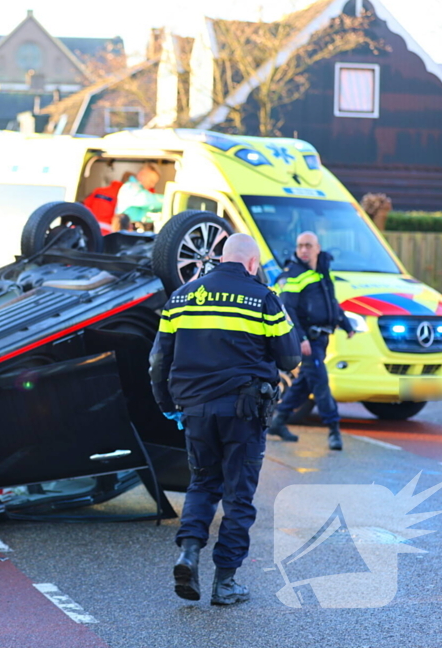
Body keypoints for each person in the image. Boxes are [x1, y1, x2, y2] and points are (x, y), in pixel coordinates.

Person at [150, 233, 301, 606]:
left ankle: (188, 553)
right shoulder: (264, 299)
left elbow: (157, 361)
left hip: (196, 411)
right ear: (252, 263)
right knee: (238, 496)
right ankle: (226, 583)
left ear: (220, 258)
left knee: (202, 484)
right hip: (243, 414)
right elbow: (290, 357)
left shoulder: (182, 297)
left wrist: (166, 403)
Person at [268, 231, 355, 450]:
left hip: (321, 339)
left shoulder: (322, 271)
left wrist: (345, 323)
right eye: (300, 246)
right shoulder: (292, 274)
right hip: (308, 341)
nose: (304, 250)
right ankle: (334, 430)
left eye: (308, 246)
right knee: (320, 383)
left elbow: (330, 301)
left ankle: (278, 421)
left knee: (303, 383)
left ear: (318, 248)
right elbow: (288, 311)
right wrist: (302, 338)